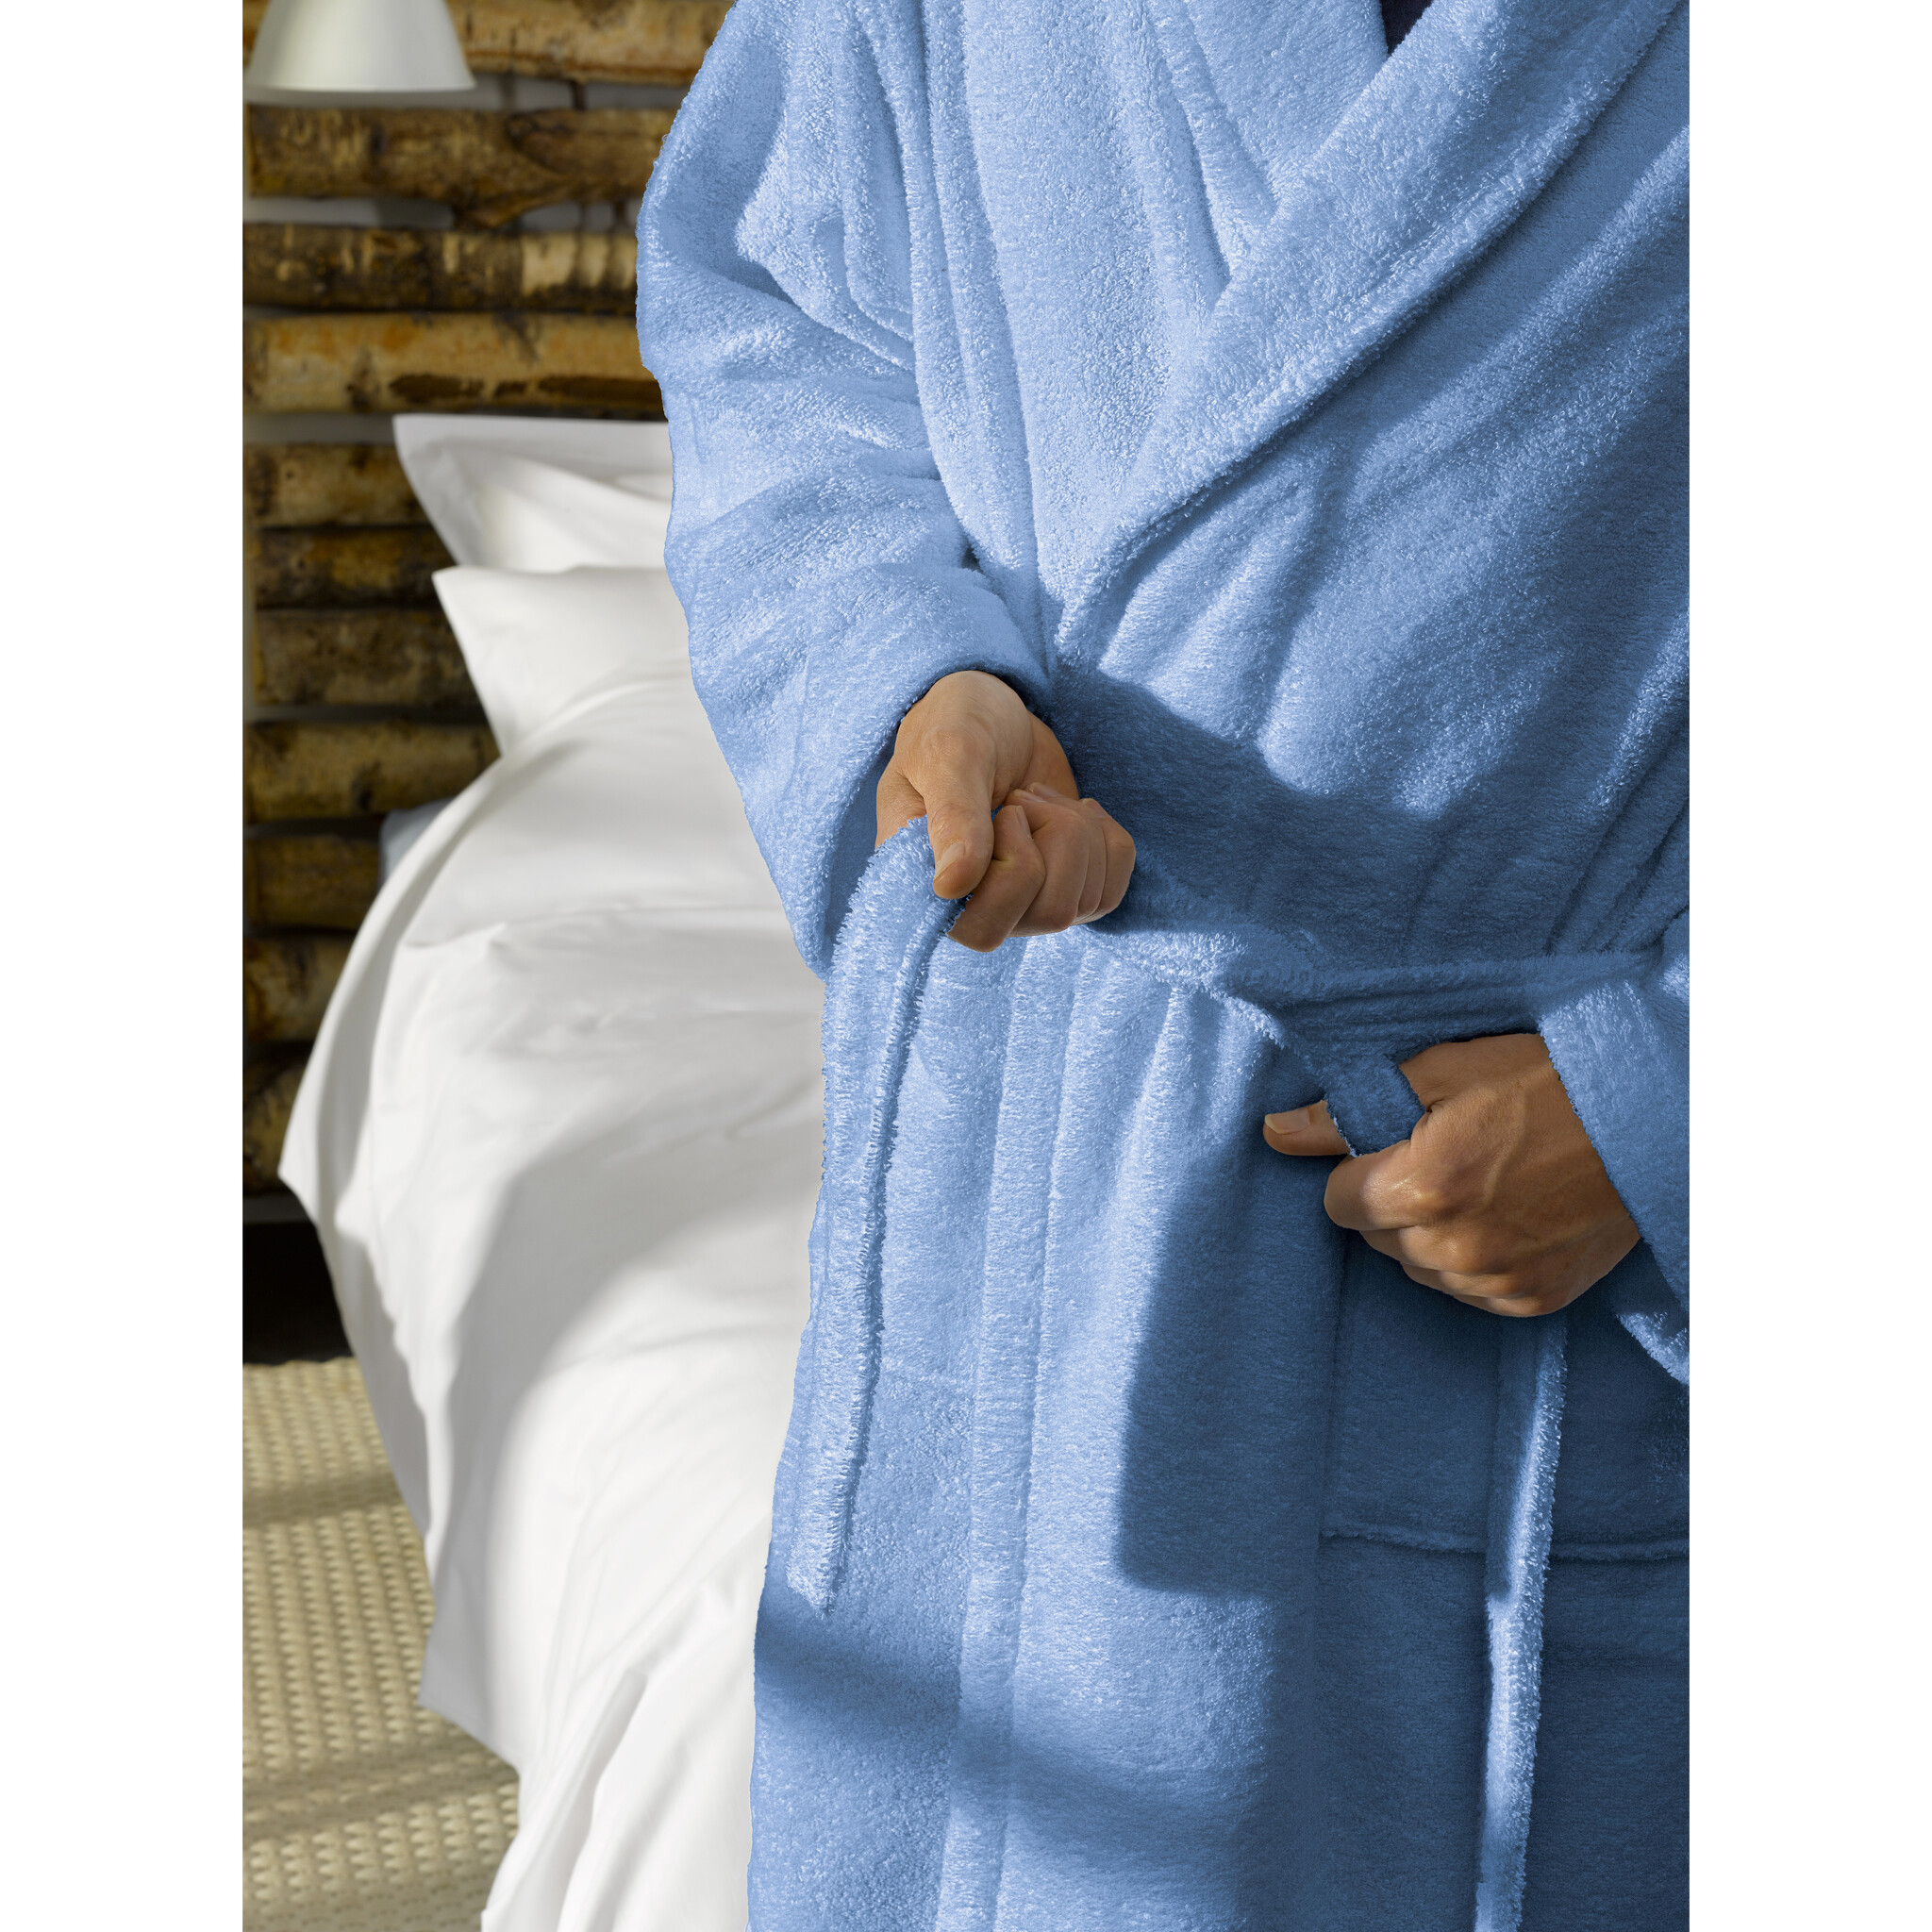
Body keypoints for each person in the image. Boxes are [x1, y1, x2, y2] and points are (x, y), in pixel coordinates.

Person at [638, 0, 1688, 1924]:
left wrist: (1667, 1102)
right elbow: (783, 330)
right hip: (1056, 1183)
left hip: (1585, 1284)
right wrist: (921, 683)